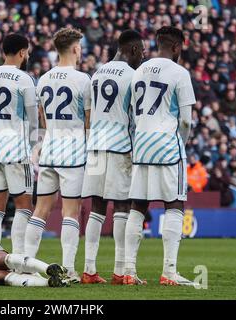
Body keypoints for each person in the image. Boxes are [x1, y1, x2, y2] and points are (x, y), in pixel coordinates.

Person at [125, 26, 197, 286]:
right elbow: (186, 121)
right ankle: (169, 271)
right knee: (175, 204)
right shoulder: (180, 73)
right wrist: (182, 144)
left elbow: (132, 113)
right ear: (177, 47)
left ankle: (129, 272)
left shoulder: (139, 71)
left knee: (138, 207)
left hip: (142, 144)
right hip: (168, 145)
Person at [24, 27, 91, 282]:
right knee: (70, 212)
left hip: (50, 149)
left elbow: (43, 119)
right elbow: (88, 120)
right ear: (75, 48)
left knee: (40, 209)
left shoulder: (43, 78)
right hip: (73, 153)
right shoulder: (83, 79)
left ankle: (27, 262)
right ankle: (68, 269)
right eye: (80, 47)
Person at [80, 30, 145, 285]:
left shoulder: (97, 73)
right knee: (121, 206)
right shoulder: (133, 75)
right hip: (119, 146)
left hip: (95, 144)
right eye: (142, 51)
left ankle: (89, 270)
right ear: (134, 50)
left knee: (96, 207)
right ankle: (120, 271)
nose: (143, 56)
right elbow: (136, 116)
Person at [0, 33, 37, 254]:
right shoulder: (24, 79)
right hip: (15, 148)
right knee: (24, 207)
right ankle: (19, 258)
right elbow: (33, 121)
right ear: (23, 52)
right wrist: (33, 148)